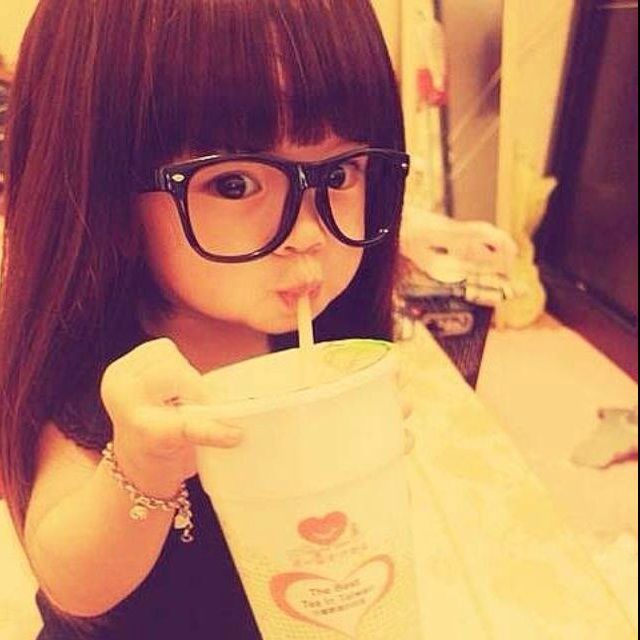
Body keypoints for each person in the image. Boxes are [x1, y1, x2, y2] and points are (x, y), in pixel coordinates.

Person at [0, 0, 409, 638]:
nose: (307, 234)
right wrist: (141, 467)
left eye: (337, 173)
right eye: (234, 185)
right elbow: (73, 584)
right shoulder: (106, 371)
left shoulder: (320, 343)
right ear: (106, 189)